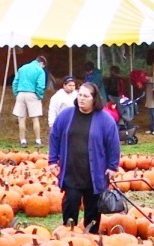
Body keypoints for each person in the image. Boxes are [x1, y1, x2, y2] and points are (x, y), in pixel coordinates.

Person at [47, 81, 120, 234]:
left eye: (86, 96)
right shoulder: (66, 116)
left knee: (93, 208)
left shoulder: (105, 120)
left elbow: (113, 144)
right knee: (70, 203)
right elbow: (54, 137)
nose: (82, 98)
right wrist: (53, 160)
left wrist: (112, 166)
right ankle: (68, 234)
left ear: (94, 99)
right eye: (80, 95)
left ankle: (91, 238)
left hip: (94, 173)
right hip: (71, 170)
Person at [12, 55, 47, 147]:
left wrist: (16, 93)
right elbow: (40, 86)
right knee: (35, 118)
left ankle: (23, 140)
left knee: (21, 118)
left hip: (20, 93)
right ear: (42, 63)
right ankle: (38, 141)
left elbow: (15, 82)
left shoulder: (22, 68)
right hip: (32, 93)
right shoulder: (40, 70)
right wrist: (39, 96)